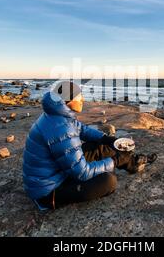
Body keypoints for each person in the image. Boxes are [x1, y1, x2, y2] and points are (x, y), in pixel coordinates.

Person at [23, 80, 157, 210]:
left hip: (57, 170)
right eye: (79, 96)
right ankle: (126, 161)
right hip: (48, 190)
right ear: (67, 101)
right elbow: (82, 172)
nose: (82, 99)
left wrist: (107, 139)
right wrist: (114, 161)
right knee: (108, 181)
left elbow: (82, 129)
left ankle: (133, 163)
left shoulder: (57, 115)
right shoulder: (61, 128)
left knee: (101, 146)